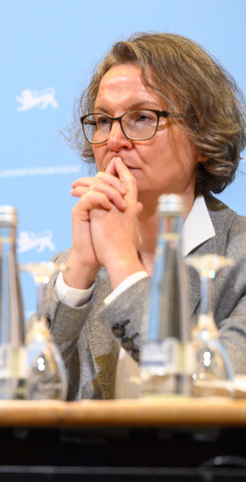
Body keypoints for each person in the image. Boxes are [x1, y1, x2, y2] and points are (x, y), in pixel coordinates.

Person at [46, 33, 246, 400]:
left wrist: (122, 264)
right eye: (103, 120)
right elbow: (23, 400)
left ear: (203, 138)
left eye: (142, 117)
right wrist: (79, 274)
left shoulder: (240, 255)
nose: (114, 140)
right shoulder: (68, 269)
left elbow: (209, 396)